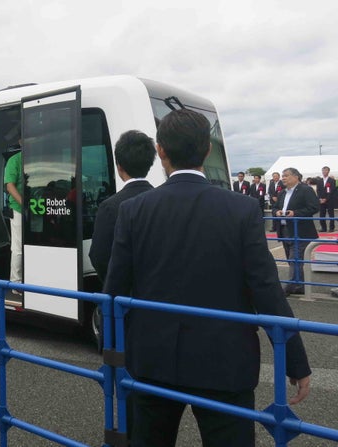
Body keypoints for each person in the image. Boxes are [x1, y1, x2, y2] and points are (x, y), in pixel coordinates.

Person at [104, 109, 311, 447]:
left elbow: (114, 291)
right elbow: (267, 290)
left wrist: (111, 355)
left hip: (152, 360)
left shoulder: (134, 210)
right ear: (207, 151)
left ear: (161, 151)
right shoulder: (242, 208)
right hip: (224, 363)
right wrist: (295, 360)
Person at [89, 130, 155, 282]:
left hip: (124, 296)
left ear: (119, 166)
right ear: (149, 163)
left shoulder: (109, 207)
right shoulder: (163, 201)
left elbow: (98, 256)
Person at [273, 167, 320, 296]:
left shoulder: (306, 190)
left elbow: (314, 207)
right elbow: (275, 207)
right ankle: (299, 285)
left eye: (286, 175)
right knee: (291, 259)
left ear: (296, 177)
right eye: (282, 176)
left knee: (295, 259)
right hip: (284, 230)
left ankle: (290, 287)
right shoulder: (282, 193)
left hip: (301, 230)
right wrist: (276, 212)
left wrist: (295, 213)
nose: (283, 178)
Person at [4, 149, 23, 294]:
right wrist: (25, 204)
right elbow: (10, 186)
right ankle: (15, 283)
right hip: (18, 209)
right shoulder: (15, 160)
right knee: (18, 247)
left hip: (36, 210)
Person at [317, 166, 336, 232]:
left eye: (326, 170)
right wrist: (320, 198)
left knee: (331, 214)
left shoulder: (332, 180)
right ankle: (323, 228)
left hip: (330, 200)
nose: (324, 172)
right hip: (321, 200)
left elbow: (332, 191)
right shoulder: (319, 181)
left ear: (328, 171)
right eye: (323, 170)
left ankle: (331, 228)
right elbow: (318, 190)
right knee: (322, 214)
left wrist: (326, 199)